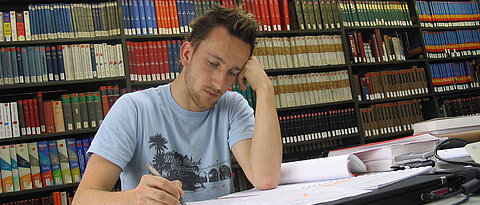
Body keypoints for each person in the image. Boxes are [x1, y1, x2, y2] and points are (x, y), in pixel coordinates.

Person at [72, 4, 282, 205]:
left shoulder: (234, 106)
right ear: (187, 54)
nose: (219, 83)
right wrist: (134, 199)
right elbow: (83, 199)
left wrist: (264, 89)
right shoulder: (133, 109)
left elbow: (265, 179)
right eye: (212, 63)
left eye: (232, 73)